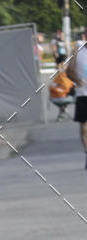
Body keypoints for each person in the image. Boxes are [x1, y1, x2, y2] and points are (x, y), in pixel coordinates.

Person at [68, 27, 87, 165]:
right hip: (83, 94)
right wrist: (77, 79)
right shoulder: (78, 52)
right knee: (84, 127)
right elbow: (69, 71)